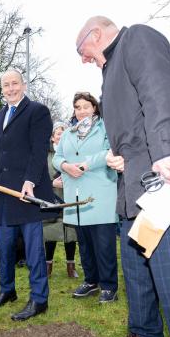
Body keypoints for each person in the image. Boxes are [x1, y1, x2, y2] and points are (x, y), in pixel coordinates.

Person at [76, 16, 170, 337]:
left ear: (96, 34)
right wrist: (116, 157)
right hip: (135, 189)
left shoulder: (137, 38)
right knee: (138, 273)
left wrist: (164, 149)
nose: (83, 58)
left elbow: (159, 91)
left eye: (81, 49)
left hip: (164, 183)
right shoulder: (109, 70)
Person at [0, 69, 56, 321]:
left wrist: (30, 181)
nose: (10, 88)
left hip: (26, 193)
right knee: (5, 247)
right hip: (4, 194)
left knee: (33, 251)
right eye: (6, 85)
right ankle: (7, 290)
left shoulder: (37, 111)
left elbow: (39, 150)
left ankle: (39, 299)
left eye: (14, 84)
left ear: (24, 85)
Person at [53, 92, 118, 303]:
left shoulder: (105, 128)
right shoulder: (68, 133)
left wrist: (85, 165)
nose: (82, 111)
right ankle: (91, 281)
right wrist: (65, 166)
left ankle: (109, 286)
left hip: (100, 192)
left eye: (86, 107)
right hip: (76, 193)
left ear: (94, 108)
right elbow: (57, 157)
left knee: (104, 244)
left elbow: (110, 151)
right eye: (78, 107)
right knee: (85, 242)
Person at [44, 121, 79, 278]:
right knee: (50, 233)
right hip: (52, 199)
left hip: (70, 199)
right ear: (52, 137)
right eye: (58, 133)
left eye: (64, 133)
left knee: (71, 234)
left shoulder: (73, 153)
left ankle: (71, 267)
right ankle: (47, 266)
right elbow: (37, 178)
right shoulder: (46, 156)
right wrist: (52, 183)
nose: (61, 136)